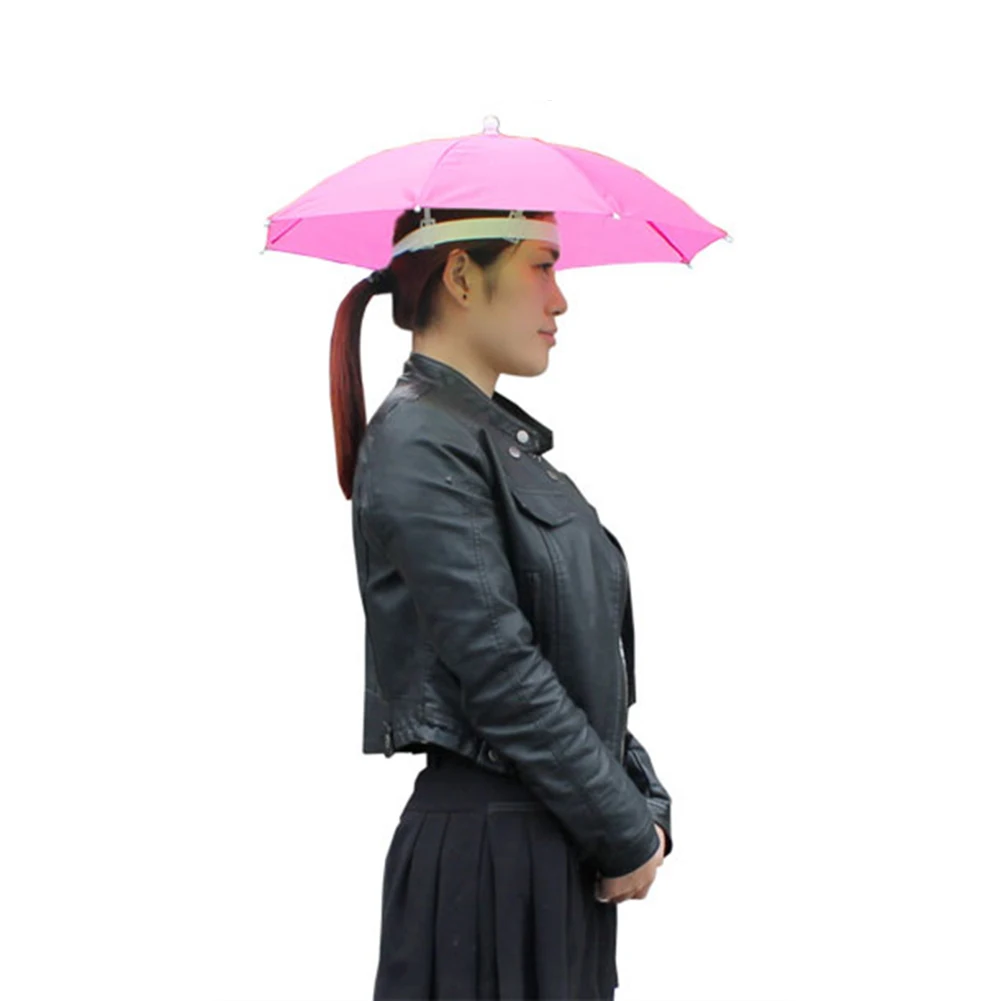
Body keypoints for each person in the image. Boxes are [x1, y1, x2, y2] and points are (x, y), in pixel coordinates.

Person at [328, 206, 673, 999]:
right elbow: (501, 670)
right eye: (541, 265)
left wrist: (639, 804)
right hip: (489, 871)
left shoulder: (489, 443)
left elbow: (575, 665)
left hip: (550, 845)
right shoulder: (420, 443)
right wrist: (623, 826)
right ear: (460, 276)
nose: (560, 299)